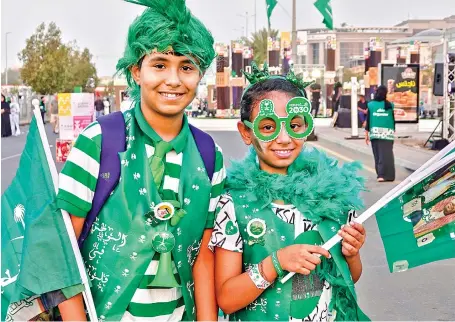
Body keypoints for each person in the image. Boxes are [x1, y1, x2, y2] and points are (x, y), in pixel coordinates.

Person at [56, 0, 225, 321]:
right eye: (159, 64)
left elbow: (203, 256)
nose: (173, 79)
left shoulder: (209, 155)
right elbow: (61, 251)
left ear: (200, 74)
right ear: (136, 70)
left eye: (187, 67)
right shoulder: (99, 141)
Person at [209, 63, 369, 321]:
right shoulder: (234, 204)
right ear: (246, 133)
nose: (284, 138)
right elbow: (226, 299)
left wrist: (351, 254)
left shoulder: (332, 196)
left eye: (295, 125)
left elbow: (349, 278)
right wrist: (276, 263)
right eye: (268, 127)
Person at [365, 85, 395, 182]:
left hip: (375, 134)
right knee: (387, 155)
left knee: (378, 155)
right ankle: (389, 176)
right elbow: (393, 120)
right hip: (388, 134)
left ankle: (381, 175)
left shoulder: (371, 105)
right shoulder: (390, 105)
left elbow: (368, 120)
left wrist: (366, 135)